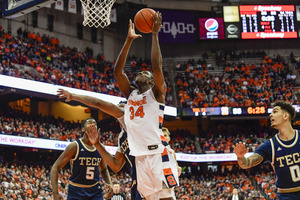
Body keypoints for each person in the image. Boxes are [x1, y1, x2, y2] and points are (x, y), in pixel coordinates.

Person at [114, 12, 179, 200]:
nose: (144, 71)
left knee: (166, 197)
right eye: (142, 71)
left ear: (152, 82)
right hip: (141, 156)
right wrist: (128, 41)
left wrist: (155, 35)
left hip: (158, 151)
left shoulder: (157, 94)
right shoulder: (132, 95)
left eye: (147, 73)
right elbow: (118, 72)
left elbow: (157, 68)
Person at [56, 89, 143, 200]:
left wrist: (73, 96)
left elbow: (98, 103)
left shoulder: (135, 126)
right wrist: (97, 144)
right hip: (137, 180)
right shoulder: (122, 137)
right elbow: (115, 166)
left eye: (122, 108)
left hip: (151, 174)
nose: (117, 111)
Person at [233, 100, 300, 200]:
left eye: (275, 111)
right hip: (286, 196)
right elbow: (247, 163)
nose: (270, 115)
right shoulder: (270, 145)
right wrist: (240, 157)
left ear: (285, 116)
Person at [50, 117, 113, 200]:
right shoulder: (75, 146)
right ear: (83, 129)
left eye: (94, 123)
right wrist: (55, 192)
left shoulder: (100, 147)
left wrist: (110, 184)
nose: (92, 124)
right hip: (76, 190)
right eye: (89, 123)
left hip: (95, 190)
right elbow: (55, 167)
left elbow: (104, 170)